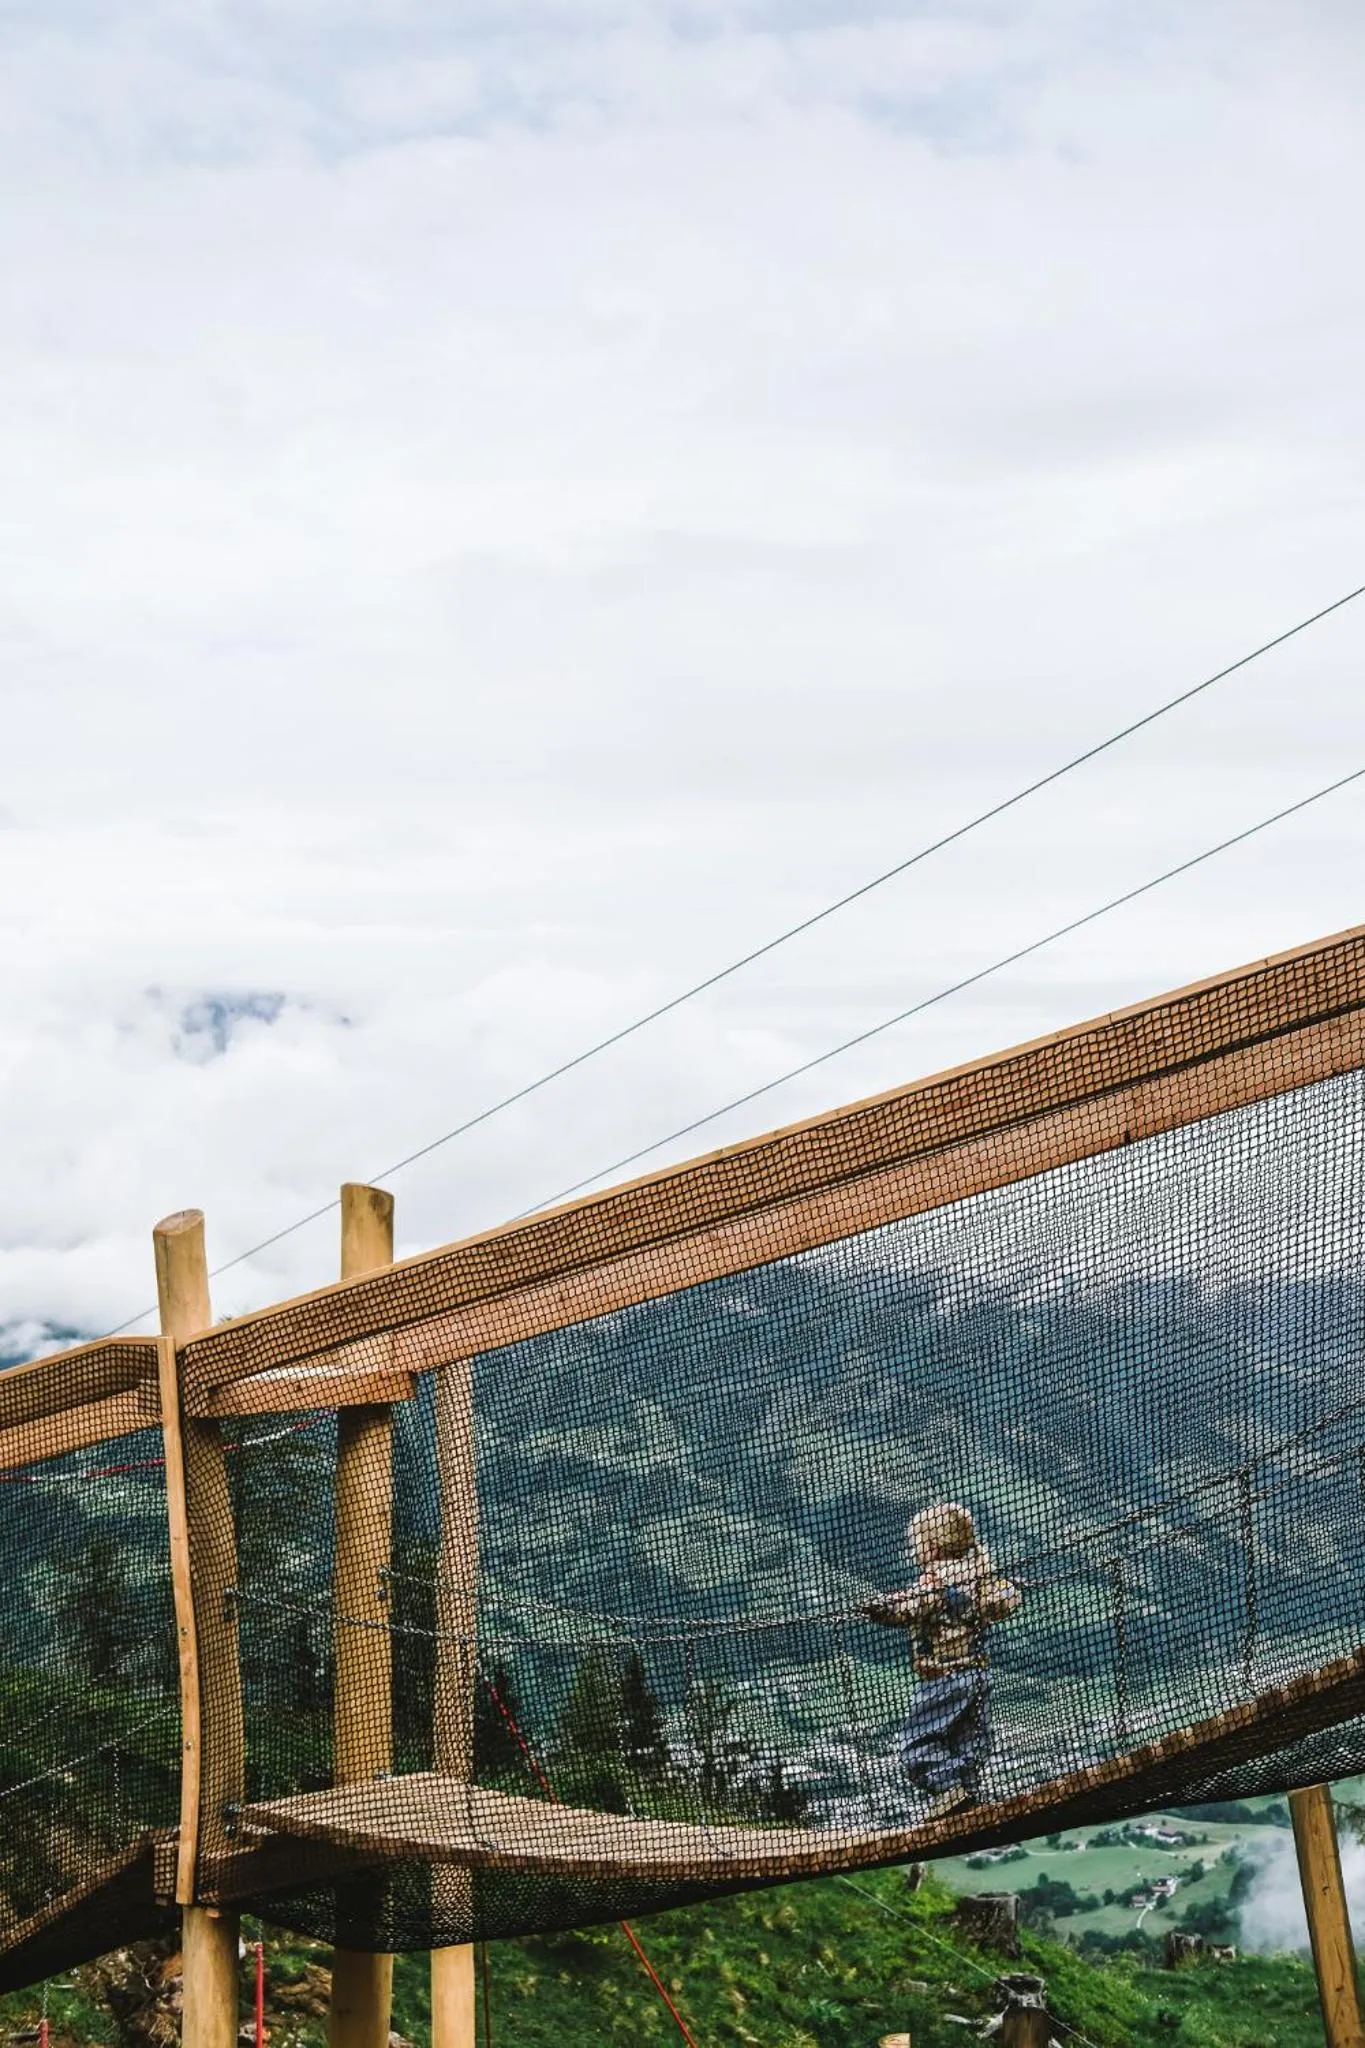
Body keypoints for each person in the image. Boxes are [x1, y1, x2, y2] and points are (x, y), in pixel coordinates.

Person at [862, 1501, 1021, 1820]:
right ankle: (968, 1796)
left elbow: (909, 1609)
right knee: (970, 1740)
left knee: (915, 1745)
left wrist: (880, 1609)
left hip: (942, 1679)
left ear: (932, 1548)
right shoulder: (981, 1575)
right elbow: (1007, 1600)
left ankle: (950, 1789)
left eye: (916, 1546)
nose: (913, 1554)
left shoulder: (934, 1583)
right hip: (977, 1674)